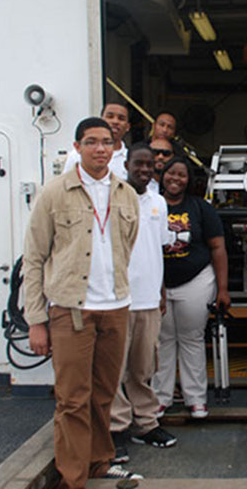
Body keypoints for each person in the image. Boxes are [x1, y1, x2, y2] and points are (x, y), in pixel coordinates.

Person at [23, 117, 142, 486]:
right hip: (71, 309)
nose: (100, 148)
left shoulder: (125, 193)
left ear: (115, 147)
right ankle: (72, 477)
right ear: (77, 147)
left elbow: (128, 245)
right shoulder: (55, 192)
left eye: (106, 142)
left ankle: (99, 462)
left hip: (115, 307)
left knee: (103, 395)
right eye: (91, 142)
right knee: (73, 399)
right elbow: (34, 257)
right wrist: (35, 319)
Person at [109, 143, 177, 464]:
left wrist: (161, 291)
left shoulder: (159, 203)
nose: (145, 170)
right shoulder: (112, 197)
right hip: (118, 298)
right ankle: (115, 430)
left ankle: (146, 424)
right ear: (127, 164)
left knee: (143, 367)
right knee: (115, 367)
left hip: (149, 298)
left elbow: (158, 249)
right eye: (139, 164)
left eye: (150, 165)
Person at [152, 157, 231, 419]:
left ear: (190, 180)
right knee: (162, 341)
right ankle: (160, 399)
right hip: (157, 282)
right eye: (171, 174)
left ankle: (196, 398)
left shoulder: (201, 208)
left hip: (196, 280)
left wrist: (222, 289)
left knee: (191, 338)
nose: (175, 179)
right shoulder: (151, 206)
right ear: (162, 175)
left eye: (182, 175)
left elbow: (218, 248)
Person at [64, 103, 130, 179]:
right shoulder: (76, 156)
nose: (115, 121)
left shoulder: (130, 158)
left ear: (128, 126)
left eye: (121, 118)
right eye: (110, 116)